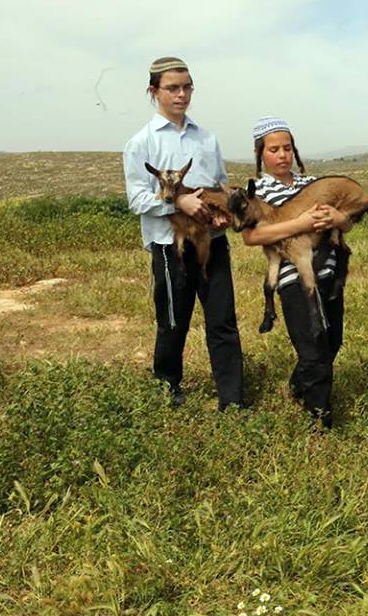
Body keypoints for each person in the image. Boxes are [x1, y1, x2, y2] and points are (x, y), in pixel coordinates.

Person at [123, 56, 245, 411]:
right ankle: (167, 389)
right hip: (169, 245)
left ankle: (232, 399)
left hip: (212, 243)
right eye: (172, 88)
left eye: (187, 86)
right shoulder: (141, 143)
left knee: (222, 319)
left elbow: (220, 185)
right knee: (174, 320)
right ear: (154, 91)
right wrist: (179, 203)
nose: (181, 94)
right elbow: (136, 198)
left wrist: (222, 214)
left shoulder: (207, 139)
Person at [239, 117, 351, 429]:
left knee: (333, 342)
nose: (282, 155)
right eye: (273, 149)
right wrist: (299, 225)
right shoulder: (257, 191)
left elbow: (346, 226)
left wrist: (340, 218)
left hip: (329, 275)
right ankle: (320, 425)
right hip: (293, 279)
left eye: (287, 148)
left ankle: (297, 387)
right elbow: (251, 237)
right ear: (261, 153)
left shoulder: (312, 185)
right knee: (314, 351)